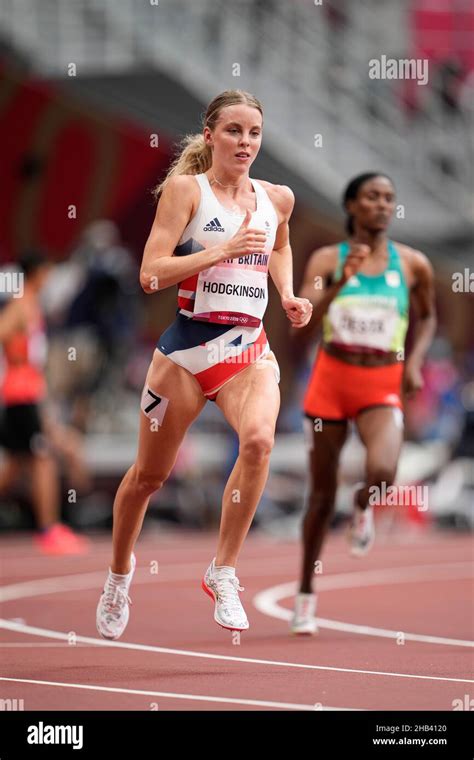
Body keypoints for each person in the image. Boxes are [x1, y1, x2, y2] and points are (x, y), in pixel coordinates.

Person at [96, 89, 312, 639]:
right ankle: (120, 575)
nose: (246, 142)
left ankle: (224, 571)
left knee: (259, 441)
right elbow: (151, 273)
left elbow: (280, 246)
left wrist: (286, 291)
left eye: (255, 133)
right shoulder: (185, 192)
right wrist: (222, 250)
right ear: (211, 134)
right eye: (235, 131)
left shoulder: (276, 198)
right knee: (148, 477)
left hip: (247, 349)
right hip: (186, 354)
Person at [290, 172, 436, 634]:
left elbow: (428, 317)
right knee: (319, 495)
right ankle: (305, 595)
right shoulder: (327, 257)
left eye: (389, 198)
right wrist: (341, 282)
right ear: (351, 205)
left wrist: (414, 362)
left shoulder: (412, 264)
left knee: (383, 472)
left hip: (381, 381)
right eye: (372, 197)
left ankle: (363, 504)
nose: (382, 205)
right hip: (332, 379)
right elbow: (303, 323)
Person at [0, 250, 90, 554]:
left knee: (14, 465)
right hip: (21, 394)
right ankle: (49, 528)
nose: (50, 279)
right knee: (43, 459)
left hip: (24, 393)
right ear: (37, 274)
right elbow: (3, 331)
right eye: (48, 273)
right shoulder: (22, 303)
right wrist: (16, 352)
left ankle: (50, 527)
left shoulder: (30, 303)